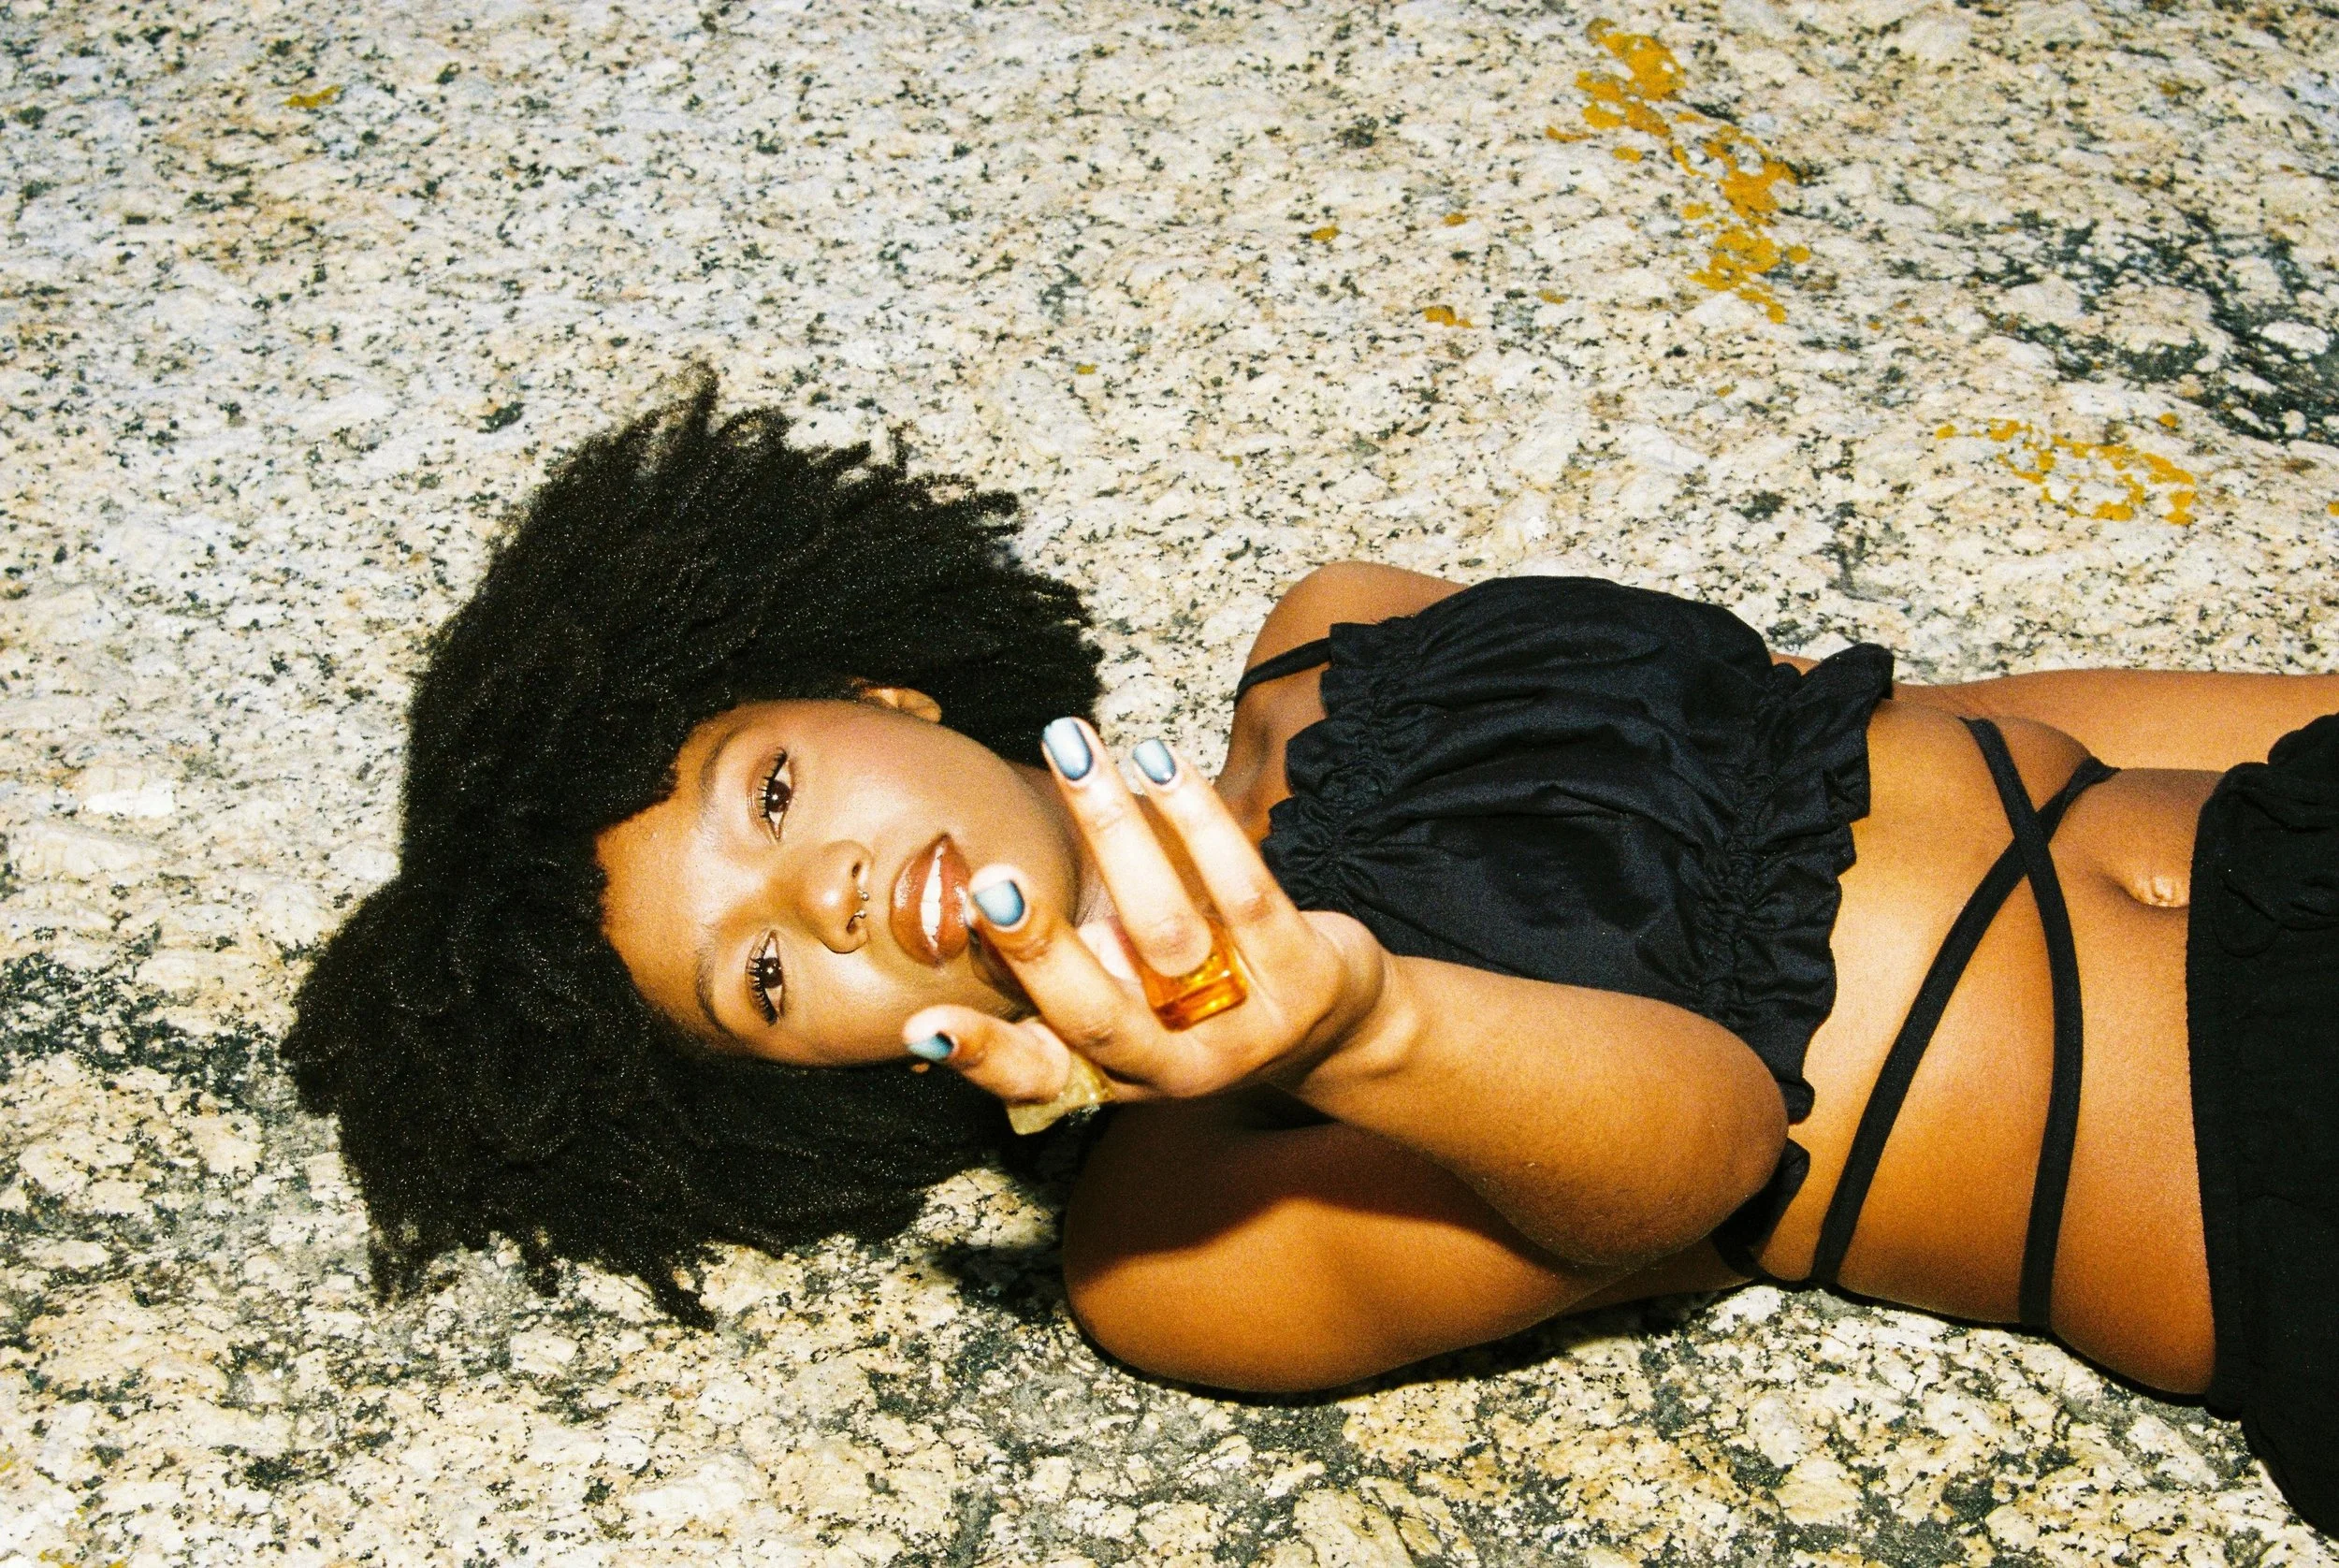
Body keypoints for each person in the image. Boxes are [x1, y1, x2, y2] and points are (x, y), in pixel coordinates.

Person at [283, 376, 2339, 1532]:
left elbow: (1917, 725)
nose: (810, 896)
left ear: (878, 695)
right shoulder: (1183, 1244)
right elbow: (1704, 1153)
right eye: (753, 980)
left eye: (761, 796)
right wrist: (1358, 1020)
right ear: (823, 1079)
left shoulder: (1347, 630)